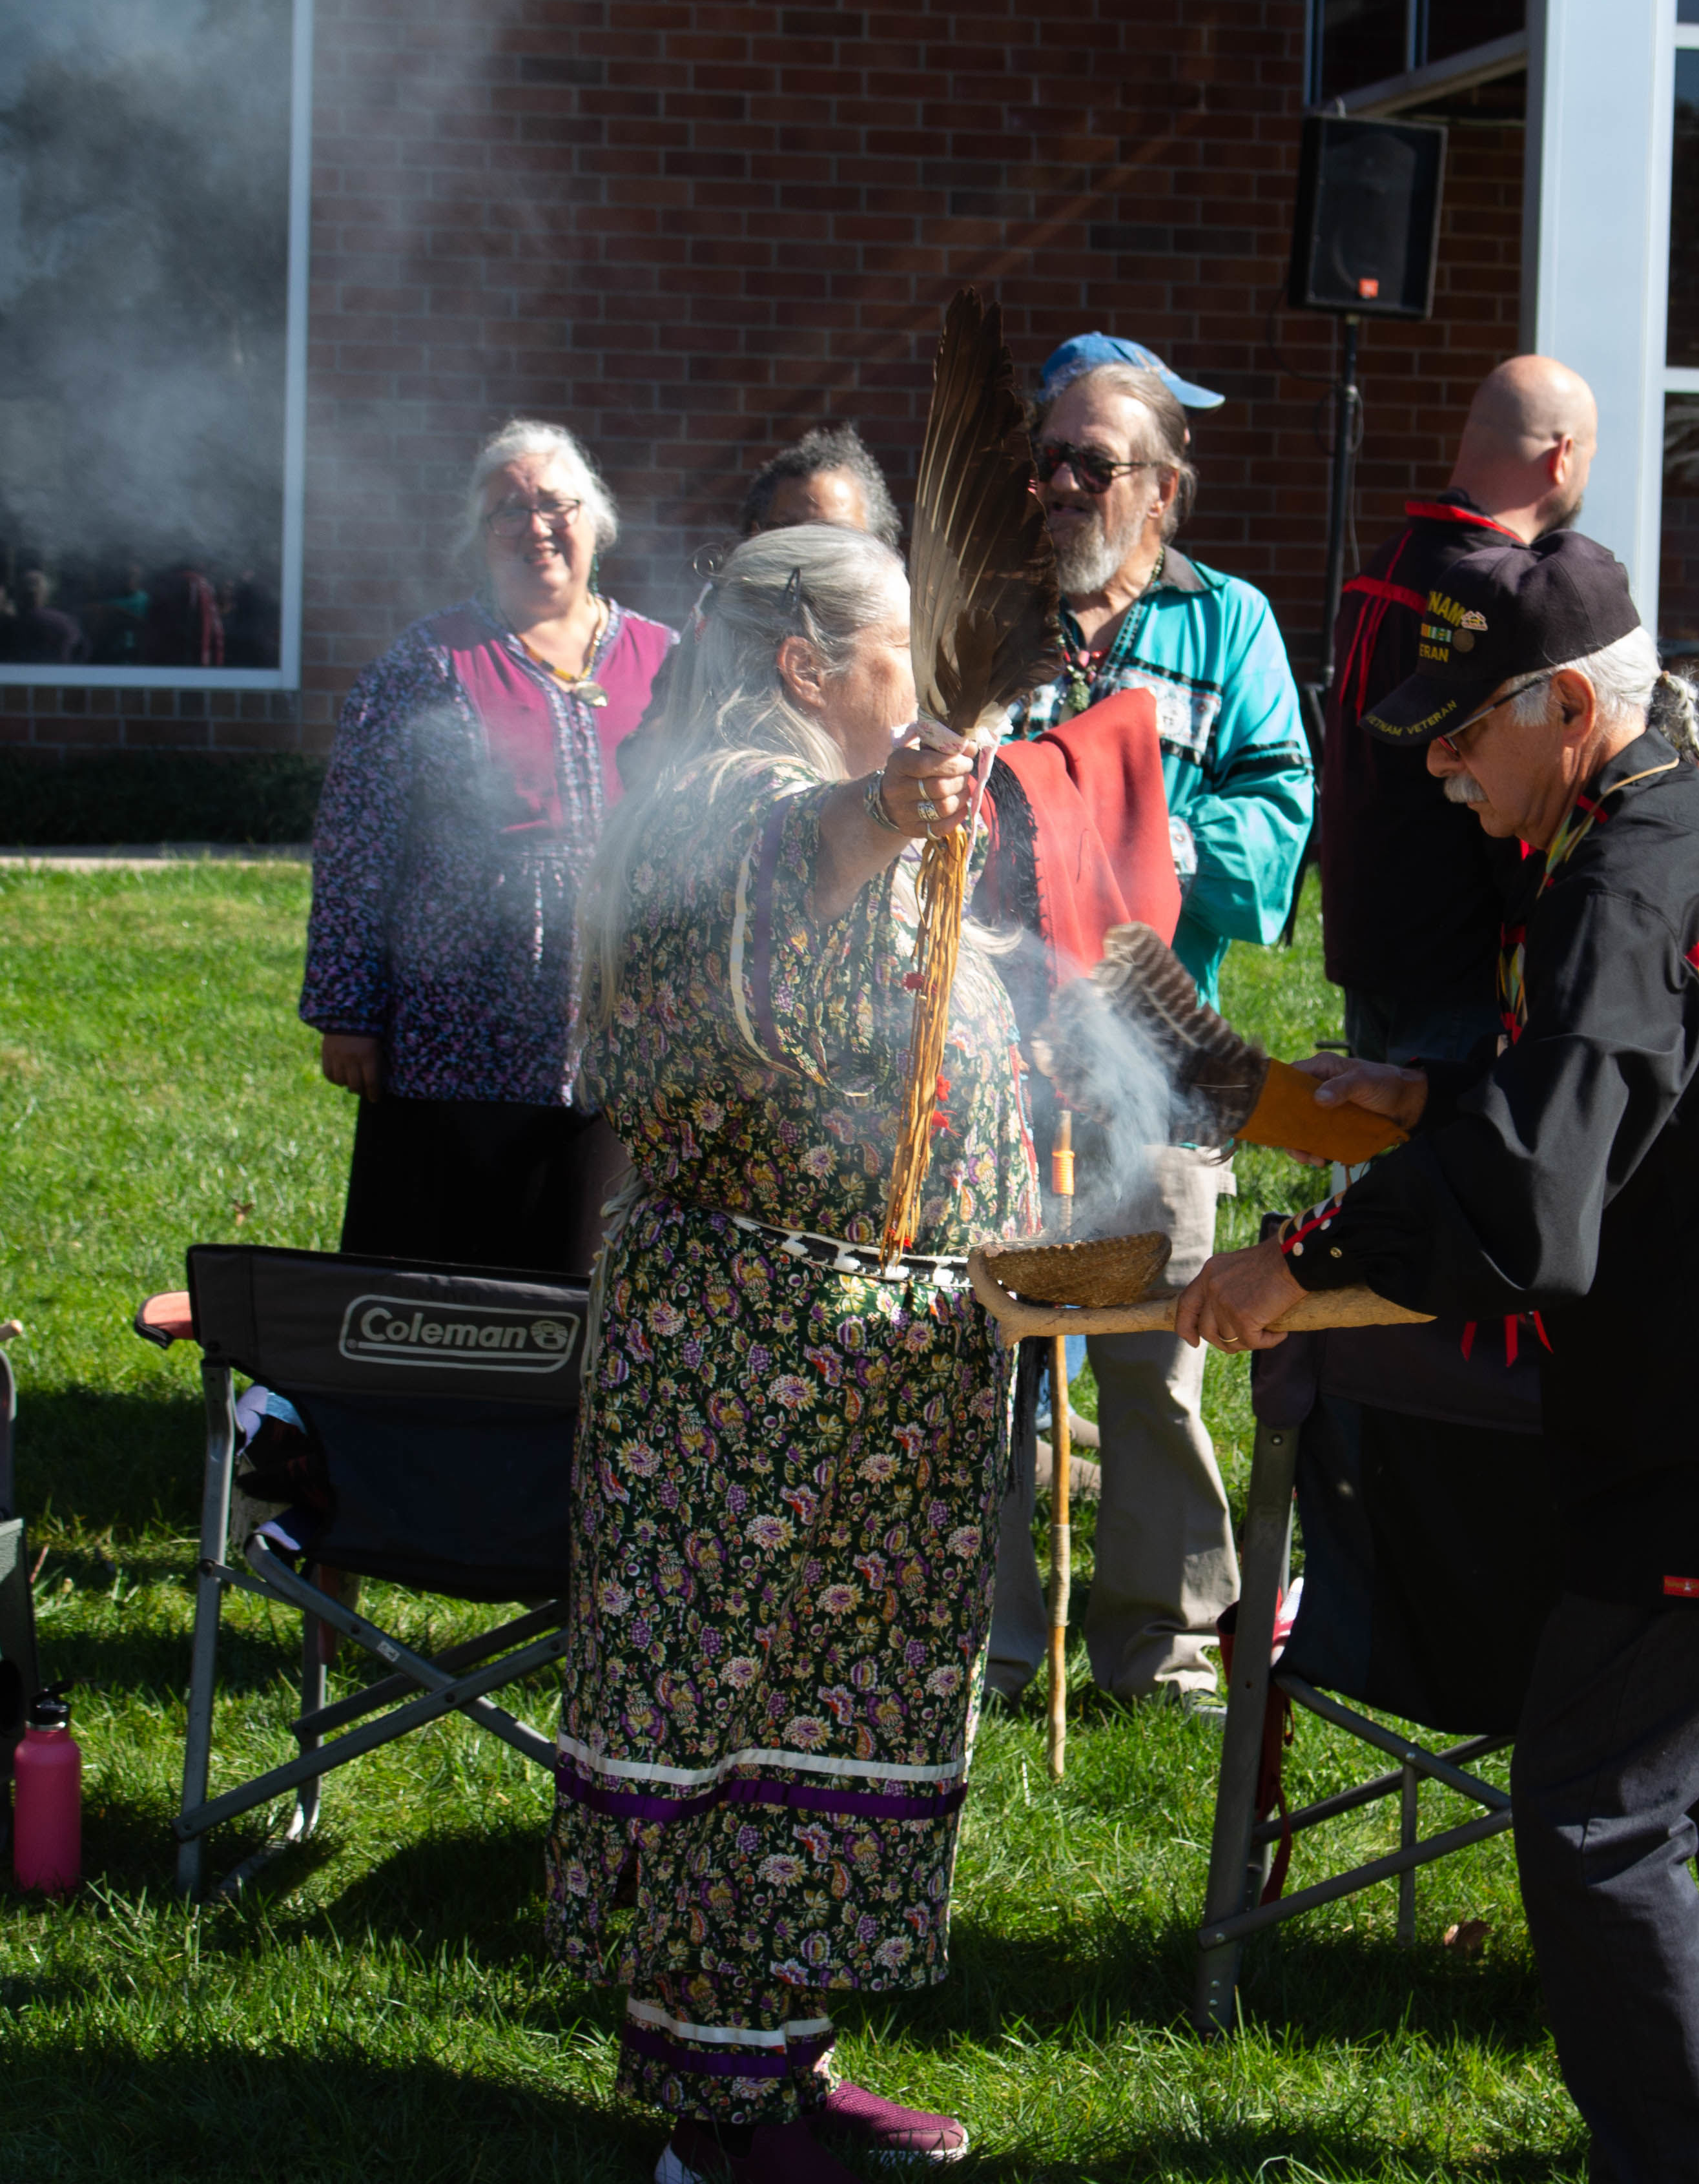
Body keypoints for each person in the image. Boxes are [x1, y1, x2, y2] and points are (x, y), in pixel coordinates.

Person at [1177, 530, 1699, 2181]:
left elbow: (1533, 1206)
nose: (1441, 771)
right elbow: (1632, 1103)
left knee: (1590, 1804)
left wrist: (1294, 1265)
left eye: (1464, 733)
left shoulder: (1617, 883)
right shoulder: (1674, 823)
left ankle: (1686, 2162)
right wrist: (1432, 1097)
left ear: (1570, 704)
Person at [550, 522, 1026, 2184]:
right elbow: (783, 871)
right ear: (808, 661)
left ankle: (777, 2066)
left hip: (839, 1365)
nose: (916, 678)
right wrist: (888, 808)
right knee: (743, 1725)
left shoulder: (775, 774)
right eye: (897, 644)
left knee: (810, 1717)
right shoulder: (727, 786)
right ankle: (721, 2119)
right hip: (759, 1363)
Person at [984, 332, 1315, 1708]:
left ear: (1162, 492)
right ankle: (991, 1641)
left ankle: (1161, 1645)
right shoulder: (983, 612)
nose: (1062, 485)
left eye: (1094, 465)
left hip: (1156, 1060)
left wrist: (1124, 830)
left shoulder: (1226, 623)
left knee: (1151, 1362)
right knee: (983, 1365)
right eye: (1046, 460)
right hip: (978, 1051)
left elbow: (1278, 828)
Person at [300, 418, 675, 1273]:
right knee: (447, 1253)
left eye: (554, 504)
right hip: (453, 1024)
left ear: (596, 520)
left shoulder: (667, 660)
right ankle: (426, 1399)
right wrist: (347, 1013)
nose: (534, 526)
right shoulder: (425, 665)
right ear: (476, 538)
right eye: (507, 510)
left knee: (586, 1243)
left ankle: (567, 1402)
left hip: (619, 1022)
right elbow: (358, 846)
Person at [1321, 354, 1598, 1067]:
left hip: (1371, 948)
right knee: (1443, 1173)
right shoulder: (1496, 598)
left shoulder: (1384, 564)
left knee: (1380, 1170)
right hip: (1459, 967)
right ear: (1563, 456)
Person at [738, 424, 901, 548]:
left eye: (837, 533)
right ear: (756, 536)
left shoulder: (900, 592)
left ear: (879, 543)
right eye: (789, 532)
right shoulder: (724, 592)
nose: (812, 548)